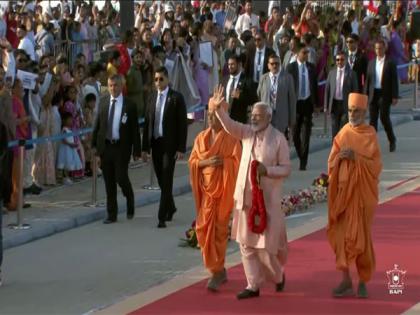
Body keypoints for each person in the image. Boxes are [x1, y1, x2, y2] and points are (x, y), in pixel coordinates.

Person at [210, 85, 291, 300]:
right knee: (245, 244)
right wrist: (219, 109)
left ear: (268, 117)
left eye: (258, 116)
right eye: (252, 115)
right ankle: (253, 285)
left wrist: (268, 170)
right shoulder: (246, 132)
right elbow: (228, 125)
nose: (253, 119)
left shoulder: (278, 139)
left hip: (267, 200)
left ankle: (278, 276)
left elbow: (286, 168)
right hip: (245, 198)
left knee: (264, 249)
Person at [327, 93, 382, 298]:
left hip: (362, 198)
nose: (352, 114)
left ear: (364, 112)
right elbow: (331, 162)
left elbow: (376, 167)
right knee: (342, 238)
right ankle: (346, 280)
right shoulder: (343, 134)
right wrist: (339, 159)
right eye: (350, 110)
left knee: (361, 239)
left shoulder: (370, 134)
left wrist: (356, 158)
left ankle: (363, 281)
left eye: (356, 111)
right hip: (343, 197)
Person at [189, 105, 241, 291]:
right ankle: (217, 269)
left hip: (223, 192)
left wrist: (225, 163)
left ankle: (217, 271)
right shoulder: (200, 138)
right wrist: (206, 162)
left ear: (223, 117)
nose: (211, 118)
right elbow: (193, 161)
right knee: (203, 231)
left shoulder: (231, 139)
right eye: (209, 115)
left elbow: (237, 163)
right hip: (206, 193)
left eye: (215, 115)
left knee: (219, 231)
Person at [92, 74, 141, 224]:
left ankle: (129, 197)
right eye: (111, 85)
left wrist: (137, 151)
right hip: (106, 147)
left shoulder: (129, 105)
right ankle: (111, 214)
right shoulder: (103, 102)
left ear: (121, 86)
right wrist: (95, 148)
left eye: (116, 85)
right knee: (109, 181)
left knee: (121, 177)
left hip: (122, 147)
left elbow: (134, 130)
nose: (113, 88)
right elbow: (97, 127)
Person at [142, 67, 188, 228]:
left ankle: (162, 216)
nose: (158, 82)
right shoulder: (152, 97)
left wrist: (181, 148)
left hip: (170, 146)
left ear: (167, 79)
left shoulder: (176, 97)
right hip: (156, 144)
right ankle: (171, 206)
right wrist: (145, 148)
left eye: (161, 79)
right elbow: (148, 122)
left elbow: (182, 124)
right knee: (161, 179)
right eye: (155, 79)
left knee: (167, 178)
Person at [287, 42, 318, 171]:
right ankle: (301, 155)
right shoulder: (291, 67)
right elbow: (288, 88)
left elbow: (314, 86)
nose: (306, 55)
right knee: (295, 134)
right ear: (297, 54)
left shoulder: (311, 67)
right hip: (296, 104)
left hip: (307, 104)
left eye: (307, 53)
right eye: (304, 53)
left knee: (306, 134)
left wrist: (316, 104)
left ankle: (303, 162)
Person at [364, 39, 399, 152]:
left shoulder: (390, 63)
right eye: (377, 48)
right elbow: (368, 81)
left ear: (385, 49)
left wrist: (395, 96)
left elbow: (394, 80)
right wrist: (365, 95)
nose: (379, 50)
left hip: (385, 95)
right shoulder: (371, 63)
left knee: (384, 118)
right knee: (372, 121)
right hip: (374, 94)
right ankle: (372, 144)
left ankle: (392, 139)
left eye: (381, 48)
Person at [257, 54, 296, 138]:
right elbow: (259, 97)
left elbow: (292, 100)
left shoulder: (287, 78)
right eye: (272, 63)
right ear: (268, 65)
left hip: (281, 119)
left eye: (277, 63)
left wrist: (291, 121)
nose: (275, 65)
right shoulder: (263, 78)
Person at [324, 51, 359, 139]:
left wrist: (354, 107)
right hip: (334, 105)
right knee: (334, 131)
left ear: (346, 60)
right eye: (337, 60)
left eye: (342, 60)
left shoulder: (352, 74)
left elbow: (355, 91)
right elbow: (327, 90)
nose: (339, 62)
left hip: (345, 105)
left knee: (343, 129)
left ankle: (342, 150)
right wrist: (326, 106)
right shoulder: (331, 73)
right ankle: (335, 151)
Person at [56, 113, 83, 185]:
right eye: (69, 120)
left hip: (70, 148)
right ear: (64, 121)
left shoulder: (70, 129)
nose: (71, 121)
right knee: (65, 162)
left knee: (69, 162)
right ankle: (63, 178)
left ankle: (67, 177)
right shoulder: (64, 129)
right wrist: (70, 144)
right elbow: (63, 139)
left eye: (71, 120)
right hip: (66, 149)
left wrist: (73, 144)